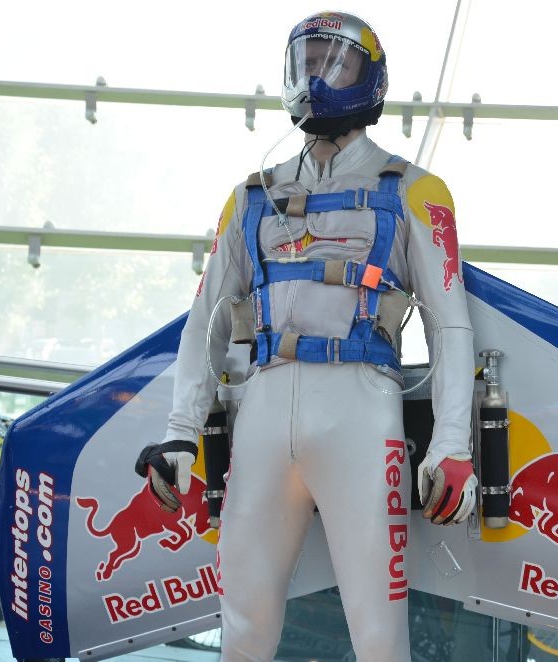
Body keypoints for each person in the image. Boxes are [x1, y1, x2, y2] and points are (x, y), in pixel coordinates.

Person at [136, 11, 477, 661]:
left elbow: (450, 322)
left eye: (336, 62)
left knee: (379, 634)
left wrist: (452, 442)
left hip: (362, 418)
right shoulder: (249, 198)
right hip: (263, 417)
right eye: (308, 61)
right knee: (242, 627)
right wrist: (180, 431)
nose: (318, 76)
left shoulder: (416, 191)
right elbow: (205, 320)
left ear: (369, 78)